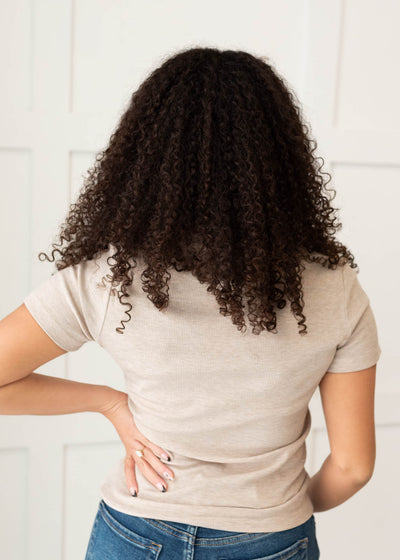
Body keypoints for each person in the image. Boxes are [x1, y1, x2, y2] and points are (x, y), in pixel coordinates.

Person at [0, 47, 381, 560]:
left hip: (136, 532)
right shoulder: (335, 289)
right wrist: (280, 513)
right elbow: (354, 467)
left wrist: (109, 403)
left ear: (145, 157)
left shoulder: (109, 281)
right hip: (274, 539)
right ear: (281, 159)